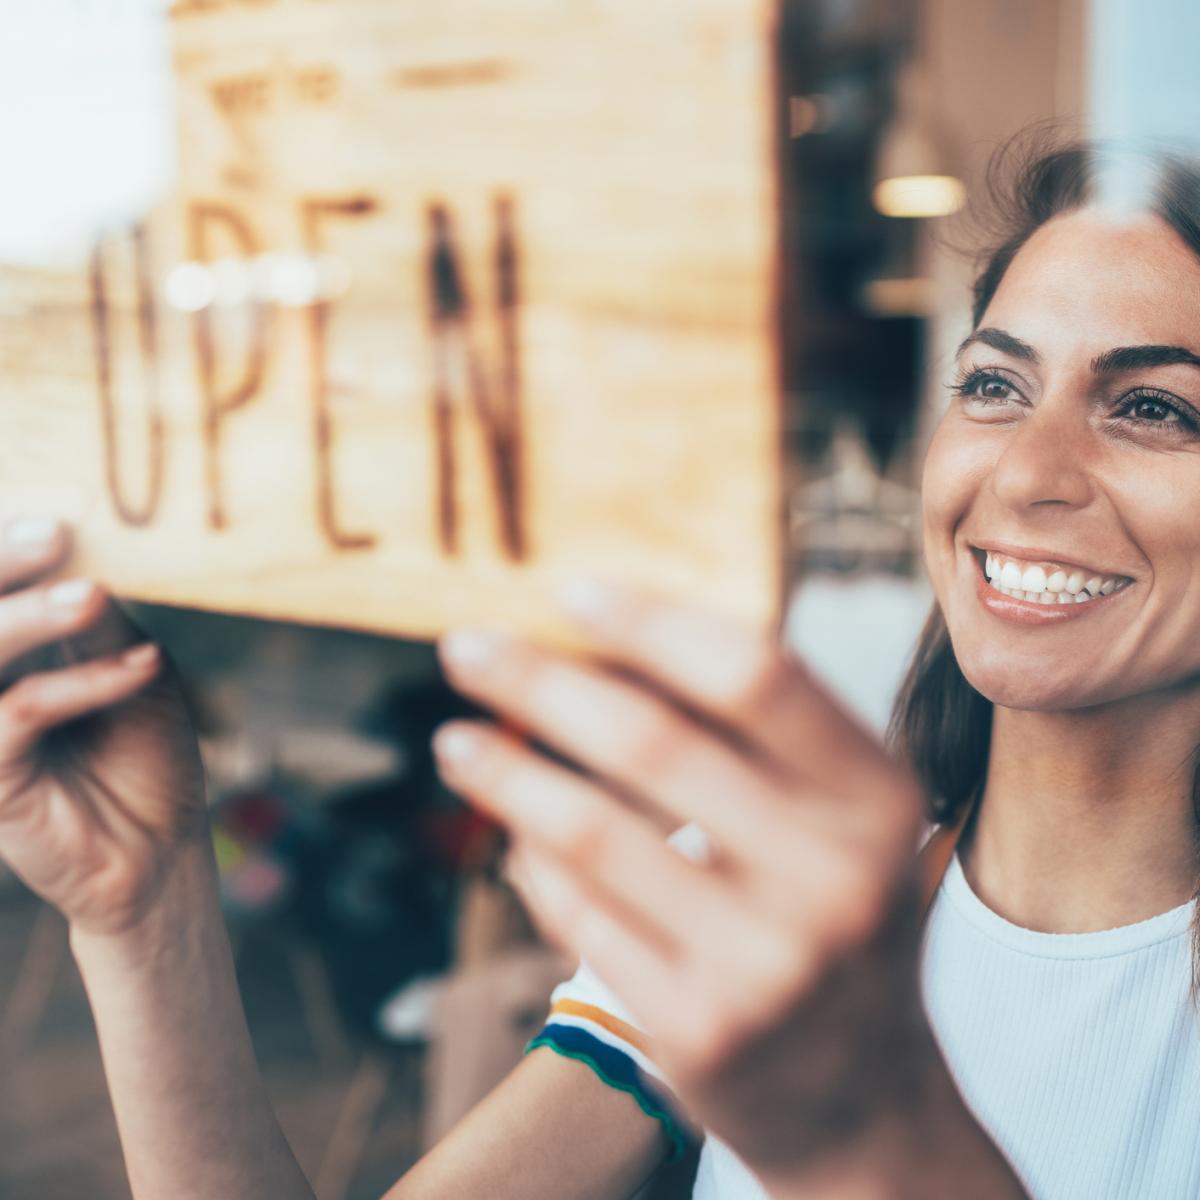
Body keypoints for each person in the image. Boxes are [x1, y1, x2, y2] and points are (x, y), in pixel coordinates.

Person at [1, 134, 1198, 1199]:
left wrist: (866, 1130)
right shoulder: (756, 903)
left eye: (1154, 408)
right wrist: (146, 908)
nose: (1028, 473)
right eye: (995, 385)